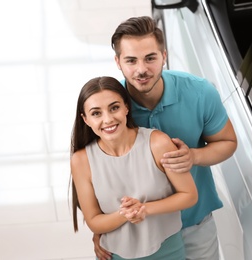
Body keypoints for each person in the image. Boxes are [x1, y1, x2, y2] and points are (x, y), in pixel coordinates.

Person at [94, 16, 238, 260]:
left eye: (150, 58)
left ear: (164, 55)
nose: (142, 70)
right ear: (118, 62)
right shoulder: (108, 108)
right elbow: (95, 172)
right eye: (131, 60)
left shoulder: (200, 92)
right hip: (140, 229)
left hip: (194, 225)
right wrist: (101, 229)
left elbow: (227, 142)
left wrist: (193, 156)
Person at [70, 76, 198, 259]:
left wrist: (144, 209)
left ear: (126, 108)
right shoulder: (81, 160)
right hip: (116, 254)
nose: (107, 119)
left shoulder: (158, 143)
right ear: (86, 119)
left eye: (114, 108)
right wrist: (126, 214)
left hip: (168, 250)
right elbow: (94, 222)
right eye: (96, 113)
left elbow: (189, 195)